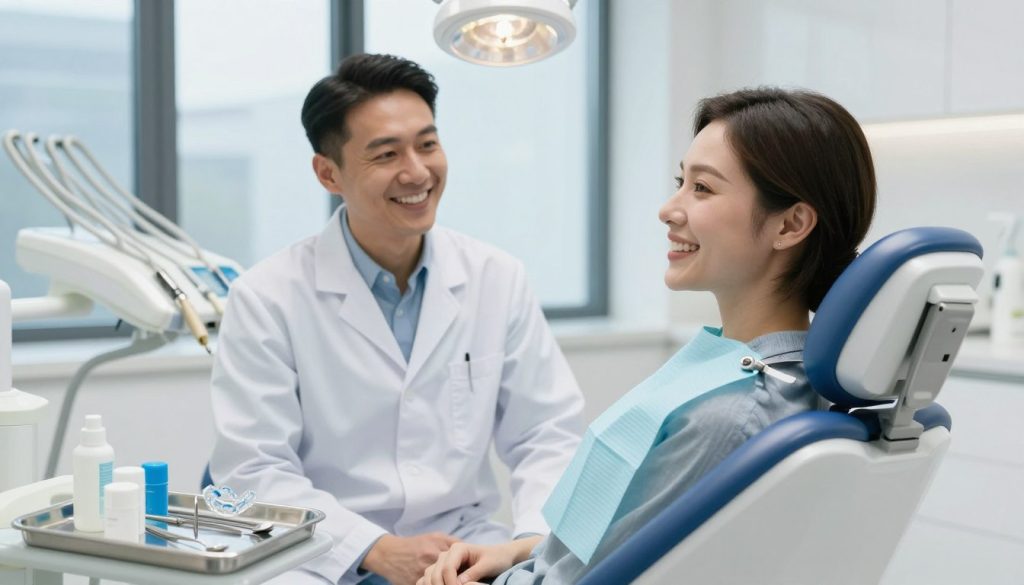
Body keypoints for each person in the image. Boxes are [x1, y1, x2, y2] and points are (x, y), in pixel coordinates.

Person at [417, 87, 877, 585]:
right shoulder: (758, 372)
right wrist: (520, 552)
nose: (668, 208)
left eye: (702, 188)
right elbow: (628, 543)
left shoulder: (730, 416)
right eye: (682, 181)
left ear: (790, 224)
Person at [208, 53, 585, 585]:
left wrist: (527, 540)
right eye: (386, 154)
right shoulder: (267, 297)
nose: (417, 172)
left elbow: (548, 433)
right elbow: (252, 471)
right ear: (328, 173)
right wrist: (376, 549)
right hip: (318, 556)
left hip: (465, 545)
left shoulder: (496, 277)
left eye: (427, 144)